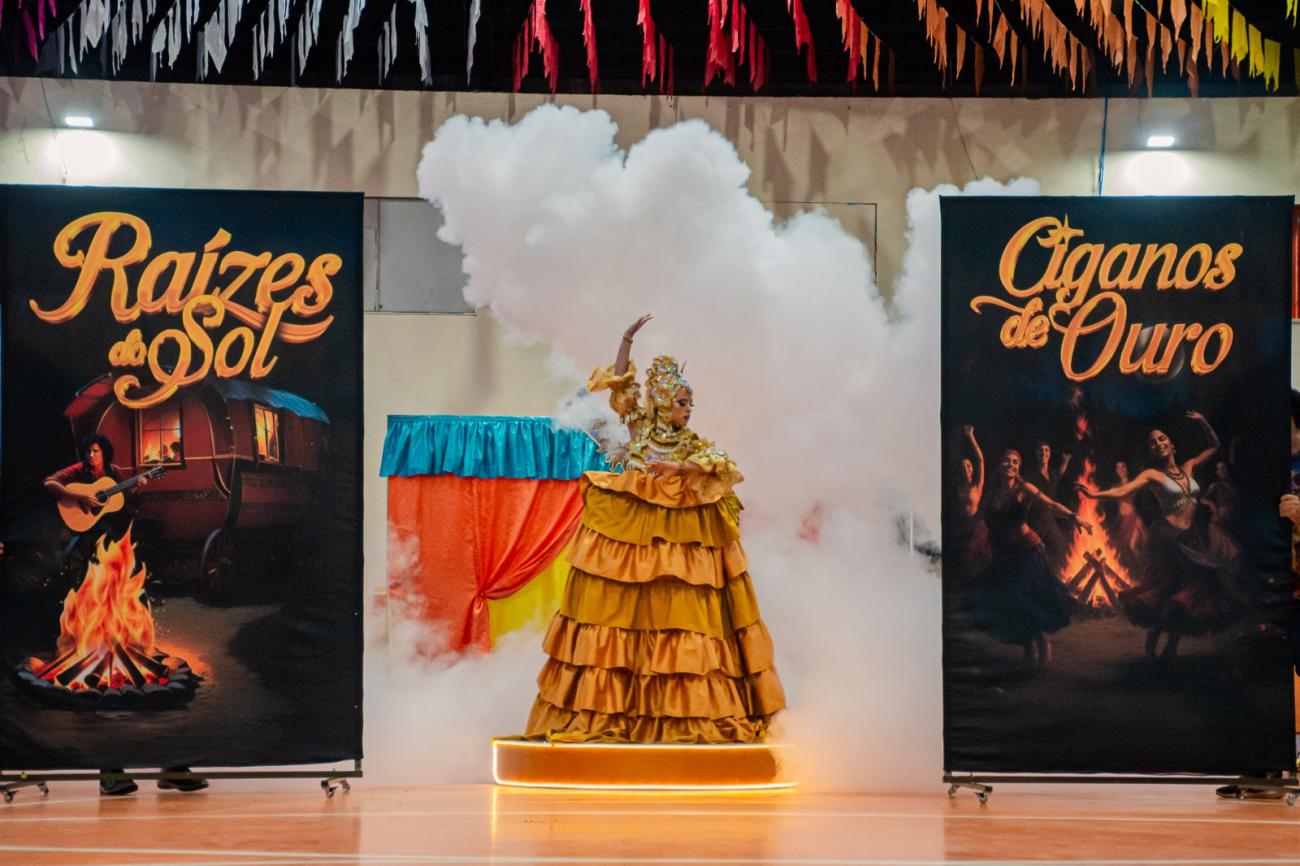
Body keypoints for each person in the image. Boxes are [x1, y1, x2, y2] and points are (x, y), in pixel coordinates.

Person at [524, 314, 785, 742]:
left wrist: (678, 468)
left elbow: (721, 465)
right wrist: (626, 338)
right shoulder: (640, 426)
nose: (688, 410)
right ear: (663, 403)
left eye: (689, 404)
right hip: (635, 526)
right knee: (620, 611)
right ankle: (614, 708)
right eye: (682, 403)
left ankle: (679, 713)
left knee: (678, 614)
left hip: (679, 532)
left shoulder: (690, 443)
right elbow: (621, 383)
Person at [43, 434, 206, 796]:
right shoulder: (78, 473)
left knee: (147, 689)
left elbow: (121, 501)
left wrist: (136, 487)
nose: (92, 455)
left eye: (97, 450)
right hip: (95, 555)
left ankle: (172, 768)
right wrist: (79, 496)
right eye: (88, 451)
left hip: (115, 555)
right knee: (105, 701)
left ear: (105, 453)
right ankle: (112, 772)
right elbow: (50, 483)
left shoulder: (116, 474)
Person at [1079, 411, 1240, 661]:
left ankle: (1171, 645)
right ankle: (1156, 632)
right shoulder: (1152, 475)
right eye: (1153, 443)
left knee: (1189, 592)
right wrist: (1094, 495)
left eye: (1162, 439)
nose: (1158, 443)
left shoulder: (1188, 467)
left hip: (1192, 538)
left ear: (1171, 443)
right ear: (1152, 452)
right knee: (1167, 591)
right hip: (1168, 540)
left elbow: (1214, 447)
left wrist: (1203, 422)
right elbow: (1123, 490)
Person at [966, 448, 1090, 668]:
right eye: (1007, 460)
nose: (1011, 465)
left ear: (1018, 468)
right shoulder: (992, 494)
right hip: (1004, 555)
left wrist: (1075, 517)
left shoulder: (1024, 489)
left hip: (1027, 551)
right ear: (1000, 464)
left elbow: (1051, 505)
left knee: (1024, 599)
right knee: (1008, 603)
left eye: (1015, 462)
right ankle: (1030, 648)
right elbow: (978, 518)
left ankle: (1041, 645)